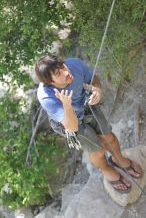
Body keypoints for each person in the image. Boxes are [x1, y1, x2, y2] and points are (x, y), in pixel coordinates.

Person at [35, 54, 142, 193]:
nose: (66, 72)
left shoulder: (74, 64)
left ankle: (119, 159)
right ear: (51, 82)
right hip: (68, 121)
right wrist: (67, 105)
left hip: (85, 105)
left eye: (62, 66)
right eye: (58, 73)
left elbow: (93, 79)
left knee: (109, 137)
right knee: (98, 150)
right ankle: (106, 170)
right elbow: (72, 127)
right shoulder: (47, 96)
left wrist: (97, 89)